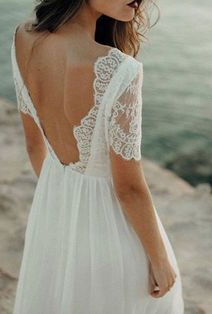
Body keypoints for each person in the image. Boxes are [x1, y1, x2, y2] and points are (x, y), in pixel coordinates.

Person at [10, 0, 184, 313]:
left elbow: (34, 146)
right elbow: (128, 188)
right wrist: (160, 261)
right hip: (114, 232)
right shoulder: (120, 70)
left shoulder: (24, 38)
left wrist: (64, 205)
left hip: (54, 216)